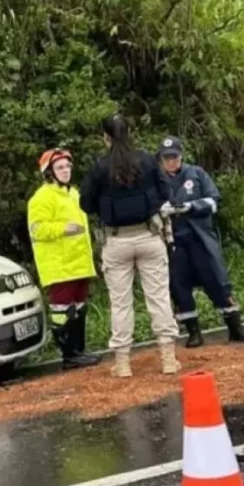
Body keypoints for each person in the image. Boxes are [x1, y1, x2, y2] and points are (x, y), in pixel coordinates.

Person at [78, 113, 181, 378]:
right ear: (129, 133)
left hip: (116, 240)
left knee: (120, 303)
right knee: (158, 297)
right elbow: (166, 192)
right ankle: (168, 358)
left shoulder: (100, 167)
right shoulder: (146, 161)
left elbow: (86, 204)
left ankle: (123, 363)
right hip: (149, 235)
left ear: (106, 137)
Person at [156, 136, 244, 348]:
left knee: (217, 280)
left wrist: (190, 207)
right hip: (175, 241)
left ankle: (235, 328)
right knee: (179, 284)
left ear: (181, 156)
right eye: (166, 158)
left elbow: (213, 201)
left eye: (174, 157)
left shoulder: (196, 173)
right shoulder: (157, 181)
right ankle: (193, 332)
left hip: (200, 236)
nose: (171, 162)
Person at [27, 148, 102, 369]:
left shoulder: (73, 193)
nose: (66, 171)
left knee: (79, 309)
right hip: (59, 266)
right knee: (62, 312)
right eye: (60, 167)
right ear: (49, 172)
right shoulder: (41, 198)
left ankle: (79, 351)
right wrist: (62, 229)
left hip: (79, 263)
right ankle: (68, 355)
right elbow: (36, 230)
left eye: (68, 167)